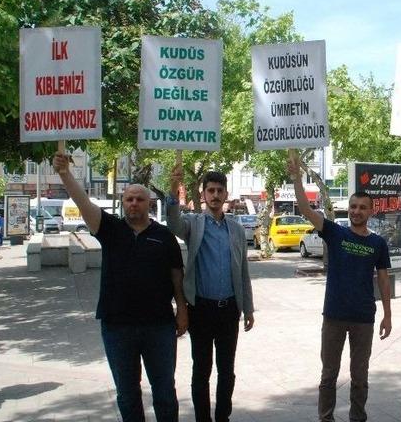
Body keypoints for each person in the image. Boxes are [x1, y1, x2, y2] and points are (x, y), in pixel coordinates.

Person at [53, 151, 187, 422]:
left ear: (150, 204)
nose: (134, 203)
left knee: (164, 392)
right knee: (127, 393)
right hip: (117, 326)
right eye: (129, 199)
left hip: (158, 325)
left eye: (140, 199)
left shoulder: (164, 236)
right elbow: (83, 202)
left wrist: (182, 309)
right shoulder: (110, 229)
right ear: (123, 202)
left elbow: (176, 276)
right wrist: (65, 174)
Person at [287, 151, 392, 422]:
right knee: (328, 376)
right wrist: (297, 178)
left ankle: (358, 417)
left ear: (371, 211)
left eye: (362, 207)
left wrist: (388, 316)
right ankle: (326, 418)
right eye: (353, 206)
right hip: (333, 316)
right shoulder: (336, 233)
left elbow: (383, 279)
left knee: (360, 377)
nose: (357, 211)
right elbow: (306, 209)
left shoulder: (378, 243)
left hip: (363, 319)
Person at [167, 163, 255, 422]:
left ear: (226, 194)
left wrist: (248, 308)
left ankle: (222, 417)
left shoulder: (236, 230)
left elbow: (243, 273)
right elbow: (172, 222)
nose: (215, 195)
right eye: (211, 190)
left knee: (227, 371)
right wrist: (174, 186)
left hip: (229, 310)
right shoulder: (193, 225)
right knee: (201, 370)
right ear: (203, 195)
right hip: (201, 310)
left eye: (220, 190)